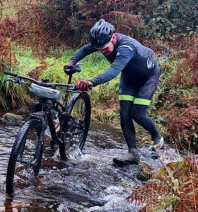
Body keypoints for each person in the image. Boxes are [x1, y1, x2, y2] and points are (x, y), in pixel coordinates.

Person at [67, 19, 164, 165]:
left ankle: (157, 138)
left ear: (113, 37)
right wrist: (71, 62)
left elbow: (113, 71)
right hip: (129, 77)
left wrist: (91, 82)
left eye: (105, 48)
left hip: (148, 77)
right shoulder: (102, 41)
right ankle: (133, 153)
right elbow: (85, 50)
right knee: (124, 113)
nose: (103, 52)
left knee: (137, 113)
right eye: (99, 49)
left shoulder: (126, 47)